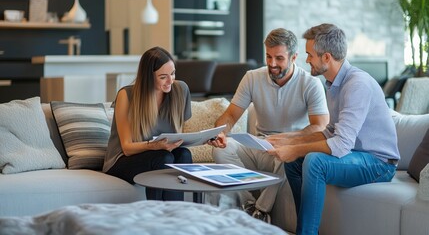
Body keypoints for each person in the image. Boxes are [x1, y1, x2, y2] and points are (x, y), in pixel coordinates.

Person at [266, 23, 400, 234]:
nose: (307, 59)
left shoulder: (357, 84)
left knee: (314, 160)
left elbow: (340, 144)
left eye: (310, 54)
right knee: (294, 164)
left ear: (326, 57)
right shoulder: (333, 84)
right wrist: (288, 141)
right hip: (355, 155)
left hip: (379, 164)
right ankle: (308, 229)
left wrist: (294, 150)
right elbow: (330, 132)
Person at [208, 28, 330, 223]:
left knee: (291, 155)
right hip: (259, 145)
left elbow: (320, 127)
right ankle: (248, 204)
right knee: (222, 150)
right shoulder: (252, 77)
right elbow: (231, 115)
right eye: (268, 57)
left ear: (294, 57)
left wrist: (285, 140)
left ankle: (261, 210)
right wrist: (220, 133)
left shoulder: (311, 84)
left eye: (279, 58)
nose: (272, 64)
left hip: (288, 148)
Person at [103, 46, 193, 201]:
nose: (170, 80)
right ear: (148, 77)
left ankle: (178, 213)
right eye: (163, 77)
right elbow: (127, 148)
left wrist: (206, 138)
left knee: (184, 154)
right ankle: (157, 213)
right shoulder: (126, 95)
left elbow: (181, 133)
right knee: (163, 158)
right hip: (122, 161)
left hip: (161, 154)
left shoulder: (180, 90)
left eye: (172, 73)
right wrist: (153, 146)